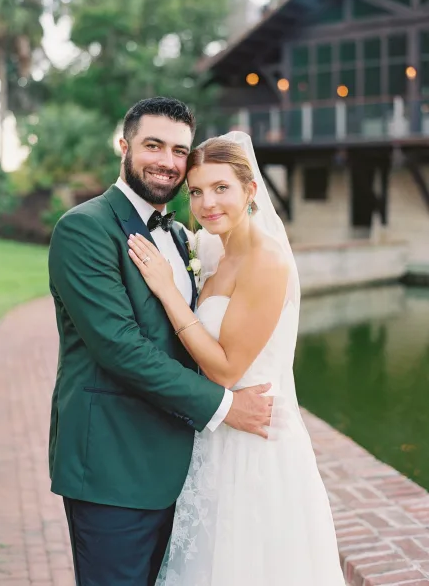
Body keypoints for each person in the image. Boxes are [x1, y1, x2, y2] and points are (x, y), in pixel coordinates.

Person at [48, 98, 273, 586]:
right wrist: (225, 406)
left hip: (182, 470)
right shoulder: (85, 229)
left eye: (178, 150)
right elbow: (121, 348)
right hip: (113, 467)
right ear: (124, 146)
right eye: (153, 145)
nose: (167, 161)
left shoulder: (182, 234)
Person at [128, 132, 346, 586]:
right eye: (198, 191)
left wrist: (169, 292)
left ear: (250, 190)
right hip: (214, 437)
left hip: (255, 445)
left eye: (221, 188)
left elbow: (224, 369)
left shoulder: (267, 262)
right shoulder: (211, 249)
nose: (208, 203)